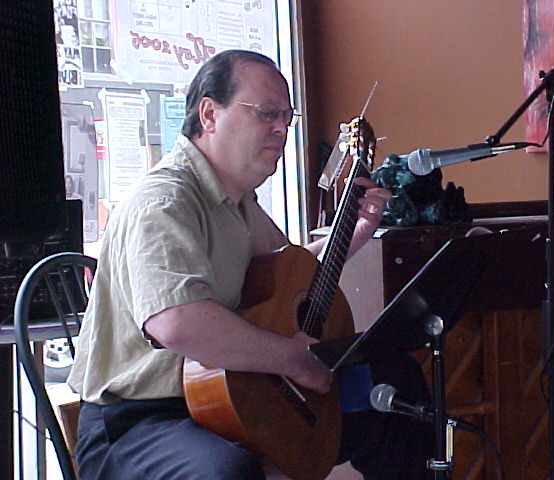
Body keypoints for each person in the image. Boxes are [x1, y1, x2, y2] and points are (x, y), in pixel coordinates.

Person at [68, 49, 432, 480]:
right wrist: (294, 361)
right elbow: (177, 323)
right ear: (209, 114)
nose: (281, 129)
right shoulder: (165, 202)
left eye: (287, 118)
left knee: (395, 382)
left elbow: (290, 272)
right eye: (266, 113)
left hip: (237, 394)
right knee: (226, 471)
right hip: (139, 422)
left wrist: (352, 235)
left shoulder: (237, 200)